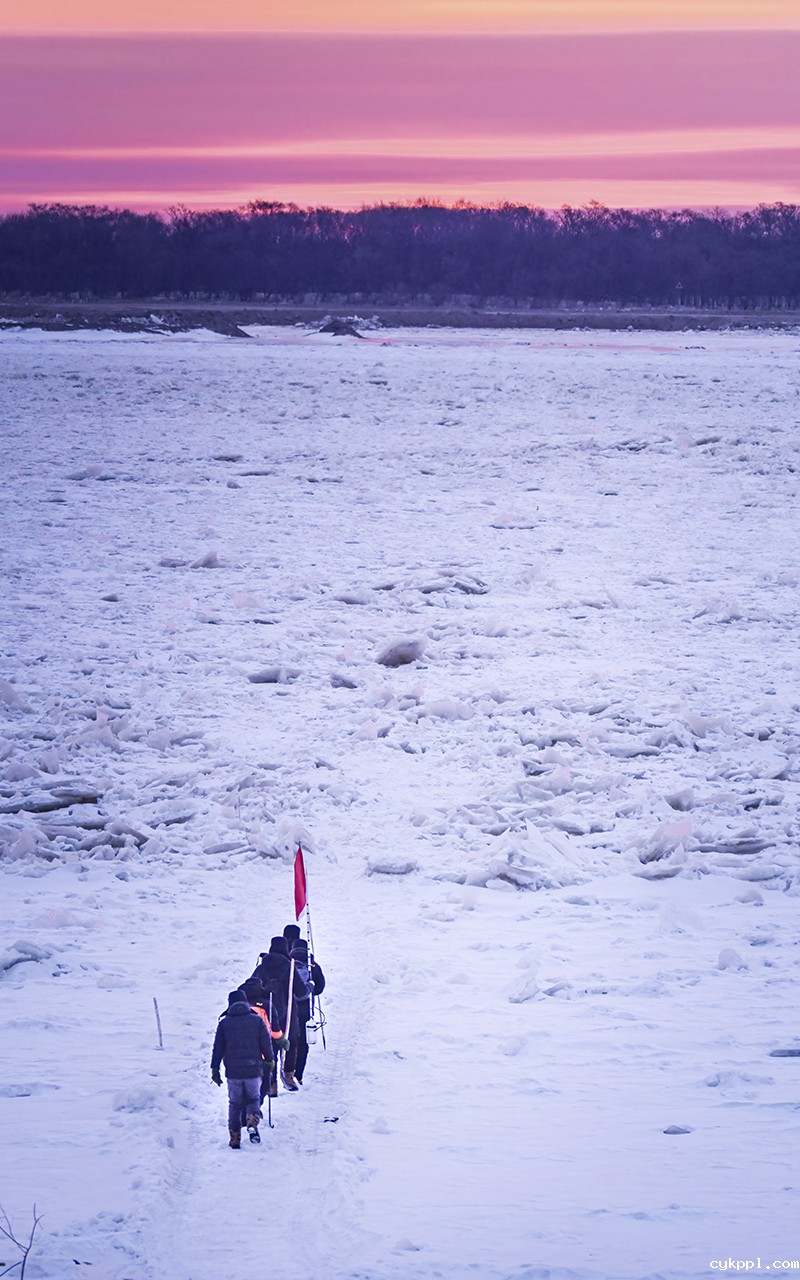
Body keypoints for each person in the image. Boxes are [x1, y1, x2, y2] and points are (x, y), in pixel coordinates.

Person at [210, 989, 273, 1148]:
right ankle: (252, 1121)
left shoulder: (224, 1023)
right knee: (253, 1099)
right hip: (253, 1070)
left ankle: (235, 1138)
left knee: (234, 1104)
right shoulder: (257, 1020)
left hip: (233, 1072)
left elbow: (218, 1048)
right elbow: (266, 1043)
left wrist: (215, 1069)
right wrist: (270, 1060)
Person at [249, 937, 310, 1091]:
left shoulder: (261, 967)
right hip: (288, 1014)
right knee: (291, 1042)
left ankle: (271, 1084)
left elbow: (251, 987)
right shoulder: (290, 967)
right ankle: (288, 1076)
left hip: (266, 1013)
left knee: (269, 1046)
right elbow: (301, 992)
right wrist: (310, 986)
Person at [239, 978, 288, 1107]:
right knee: (264, 1083)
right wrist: (282, 1041)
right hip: (262, 1051)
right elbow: (274, 1030)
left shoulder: (237, 1005)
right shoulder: (267, 1004)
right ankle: (254, 1109)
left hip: (241, 1053)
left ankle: (244, 1110)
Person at [288, 938, 326, 1085]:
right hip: (305, 1010)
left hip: (289, 1008)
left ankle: (287, 1072)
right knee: (303, 1043)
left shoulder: (288, 963)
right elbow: (320, 988)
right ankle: (298, 1075)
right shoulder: (312, 965)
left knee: (289, 1040)